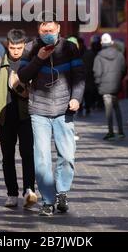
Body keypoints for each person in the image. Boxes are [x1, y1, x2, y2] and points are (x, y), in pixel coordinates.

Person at [18, 13, 85, 217]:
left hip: (64, 110)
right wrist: (39, 59)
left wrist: (76, 98)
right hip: (39, 110)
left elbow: (79, 76)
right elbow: (22, 76)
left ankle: (62, 192)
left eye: (51, 30)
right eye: (43, 30)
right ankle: (48, 200)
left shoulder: (69, 48)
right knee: (42, 159)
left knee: (67, 156)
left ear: (58, 28)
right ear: (39, 30)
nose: (48, 33)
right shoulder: (30, 48)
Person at [0, 29, 37, 209]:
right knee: (7, 157)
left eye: (19, 47)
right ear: (7, 45)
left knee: (28, 154)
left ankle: (29, 190)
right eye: (12, 47)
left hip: (26, 115)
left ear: (24, 45)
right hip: (5, 117)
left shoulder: (30, 63)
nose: (15, 51)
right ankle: (12, 193)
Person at [93, 33, 126, 141]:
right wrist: (118, 79)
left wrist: (98, 83)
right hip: (116, 85)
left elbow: (97, 72)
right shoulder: (119, 54)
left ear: (102, 43)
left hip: (105, 86)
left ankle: (111, 132)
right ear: (111, 42)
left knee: (108, 111)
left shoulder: (99, 56)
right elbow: (123, 69)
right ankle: (121, 132)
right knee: (117, 108)